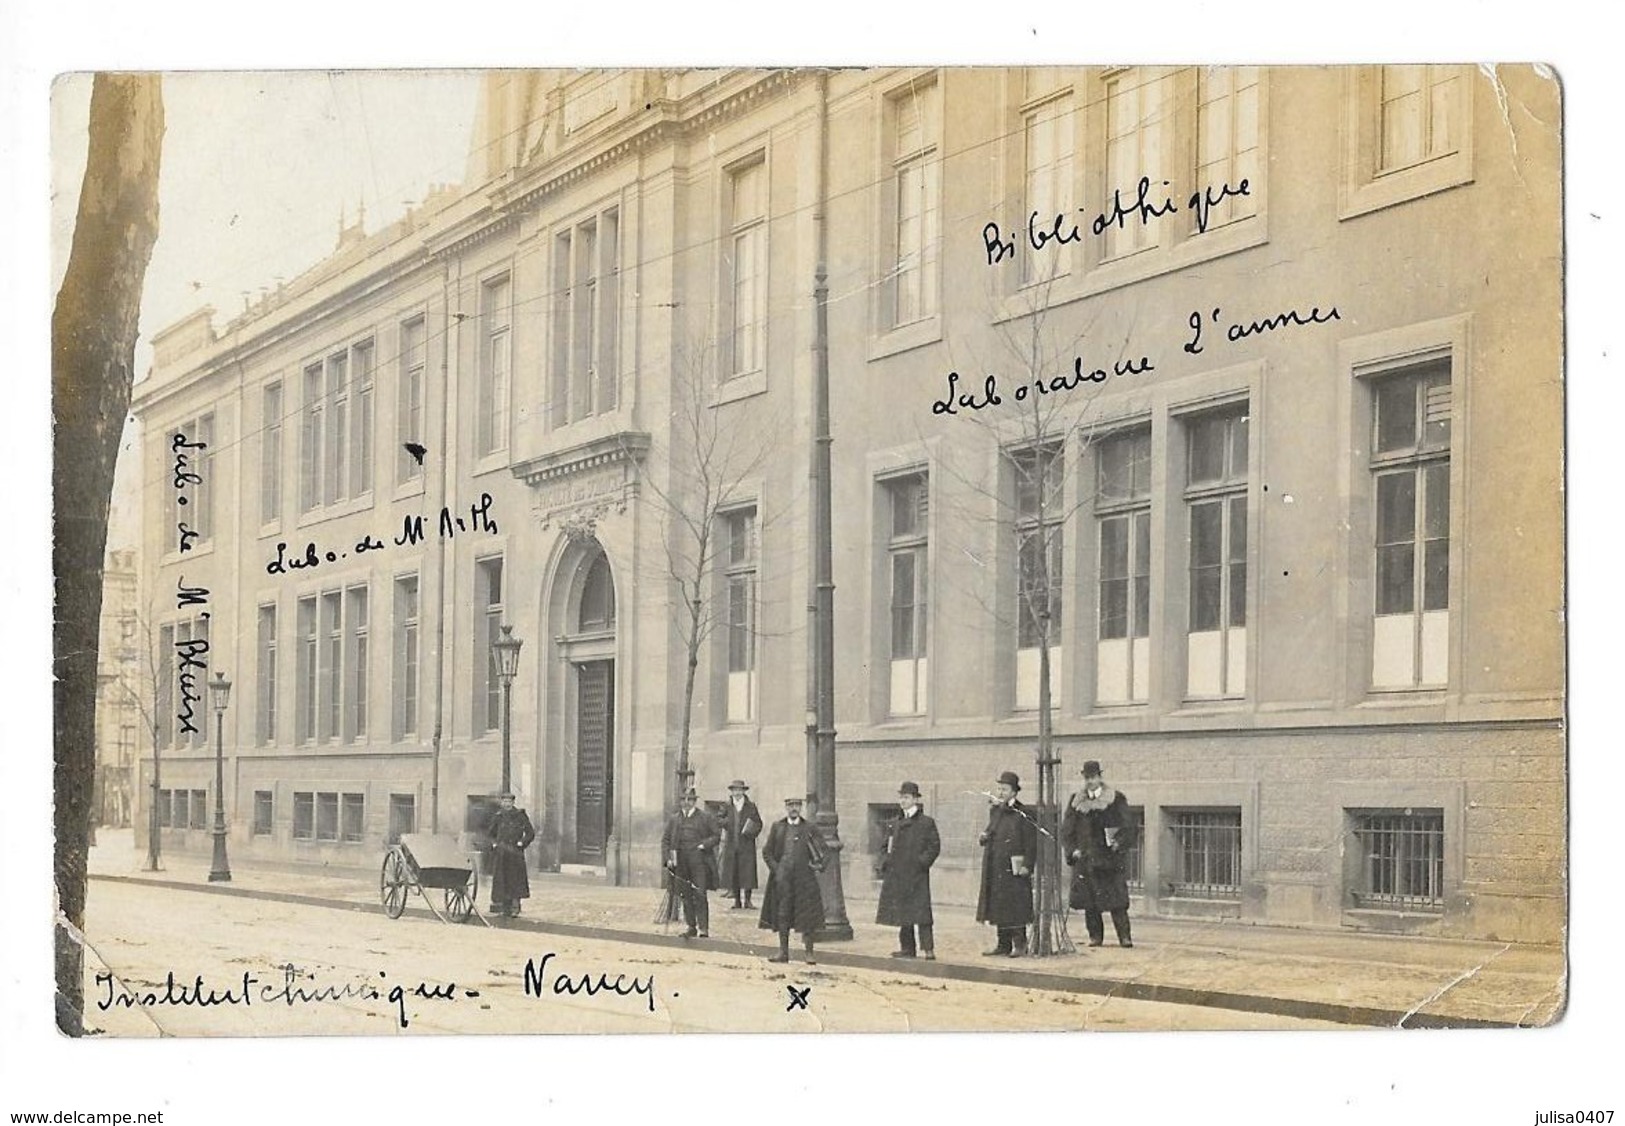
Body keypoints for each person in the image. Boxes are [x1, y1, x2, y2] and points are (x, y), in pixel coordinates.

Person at [1061, 760, 1137, 948]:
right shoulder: (1076, 801)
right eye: (1087, 778)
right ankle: (1095, 937)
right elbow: (1067, 831)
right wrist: (1072, 851)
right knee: (1090, 901)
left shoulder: (1115, 799)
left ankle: (1125, 937)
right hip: (1086, 859)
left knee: (1117, 901)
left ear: (1100, 777)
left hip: (1109, 859)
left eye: (1093, 777)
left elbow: (1129, 826)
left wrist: (1118, 842)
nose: (1090, 781)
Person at [759, 796, 827, 965]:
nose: (794, 808)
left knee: (807, 916)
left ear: (801, 808)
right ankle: (783, 952)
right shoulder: (778, 827)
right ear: (786, 808)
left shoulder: (810, 828)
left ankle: (809, 953)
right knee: (783, 914)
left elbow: (823, 850)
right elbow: (767, 852)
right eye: (790, 805)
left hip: (805, 880)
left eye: (797, 805)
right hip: (783, 880)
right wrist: (777, 870)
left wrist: (817, 866)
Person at [976, 770, 1037, 957]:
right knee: (999, 905)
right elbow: (991, 831)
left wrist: (1028, 865)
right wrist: (984, 837)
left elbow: (1031, 842)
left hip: (1015, 867)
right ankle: (1003, 944)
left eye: (1004, 789)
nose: (1000, 792)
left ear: (1014, 792)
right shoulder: (996, 811)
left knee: (1016, 905)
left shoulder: (1024, 812)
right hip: (996, 866)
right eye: (999, 788)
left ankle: (1020, 943)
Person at [876, 781, 940, 959]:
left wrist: (921, 863)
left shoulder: (926, 823)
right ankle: (907, 949)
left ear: (915, 799)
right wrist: (886, 863)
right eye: (901, 797)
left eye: (906, 797)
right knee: (903, 913)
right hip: (898, 875)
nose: (903, 801)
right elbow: (885, 846)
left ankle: (928, 949)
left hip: (917, 875)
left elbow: (934, 846)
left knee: (922, 913)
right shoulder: (895, 823)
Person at [662, 787, 721, 938]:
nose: (686, 803)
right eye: (683, 800)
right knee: (685, 894)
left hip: (699, 862)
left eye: (689, 800)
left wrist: (703, 845)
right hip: (681, 862)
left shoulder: (705, 817)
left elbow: (716, 836)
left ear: (695, 801)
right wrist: (668, 858)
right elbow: (666, 840)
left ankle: (704, 928)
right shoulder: (674, 819)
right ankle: (691, 927)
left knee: (700, 894)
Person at [488, 792, 536, 918]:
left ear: (513, 803)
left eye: (509, 802)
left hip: (515, 853)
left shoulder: (520, 816)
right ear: (502, 803)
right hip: (502, 853)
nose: (507, 804)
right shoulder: (498, 816)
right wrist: (494, 844)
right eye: (504, 802)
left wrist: (522, 843)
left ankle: (516, 907)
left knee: (515, 880)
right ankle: (505, 908)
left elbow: (530, 833)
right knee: (503, 880)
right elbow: (491, 834)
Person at [718, 779, 763, 909]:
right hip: (732, 843)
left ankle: (747, 900)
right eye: (735, 790)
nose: (737, 793)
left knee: (748, 872)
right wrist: (728, 822)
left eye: (739, 790)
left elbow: (758, 823)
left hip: (746, 844)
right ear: (731, 792)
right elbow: (718, 819)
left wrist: (750, 831)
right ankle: (737, 901)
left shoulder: (751, 806)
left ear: (743, 791)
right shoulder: (726, 806)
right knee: (734, 872)